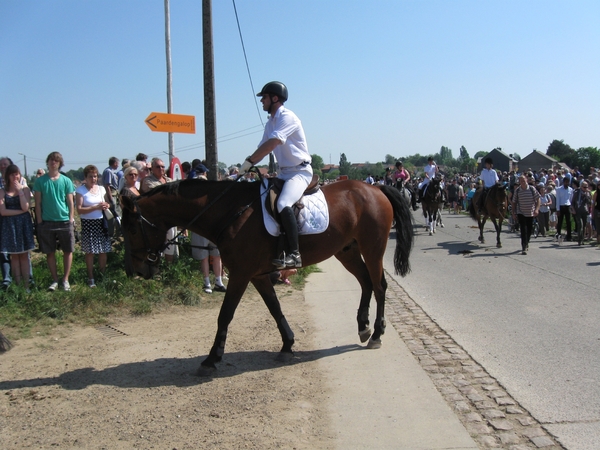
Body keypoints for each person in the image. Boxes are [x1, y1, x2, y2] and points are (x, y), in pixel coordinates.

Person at [239, 81, 311, 269]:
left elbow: (273, 143)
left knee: (283, 203)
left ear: (275, 98)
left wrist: (250, 161)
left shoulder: (287, 117)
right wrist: (248, 163)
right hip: (283, 173)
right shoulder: (270, 122)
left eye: (264, 97)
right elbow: (262, 147)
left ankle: (295, 254)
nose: (262, 101)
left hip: (299, 172)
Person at [33, 152, 76, 291]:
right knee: (49, 252)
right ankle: (55, 280)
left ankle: (65, 279)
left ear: (60, 163)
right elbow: (37, 203)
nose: (53, 162)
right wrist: (39, 221)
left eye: (56, 160)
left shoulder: (66, 181)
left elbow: (70, 202)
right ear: (47, 162)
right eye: (51, 160)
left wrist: (71, 218)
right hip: (47, 222)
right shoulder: (40, 181)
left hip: (64, 221)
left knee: (68, 251)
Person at [75, 165, 112, 287]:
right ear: (85, 177)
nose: (93, 179)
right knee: (90, 252)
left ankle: (102, 275)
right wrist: (95, 207)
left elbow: (108, 203)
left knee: (103, 250)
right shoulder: (81, 191)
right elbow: (79, 210)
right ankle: (91, 278)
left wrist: (107, 205)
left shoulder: (101, 189)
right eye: (90, 176)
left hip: (101, 222)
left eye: (95, 176)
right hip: (89, 224)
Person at [0, 165, 35, 290]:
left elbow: (26, 207)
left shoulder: (25, 189)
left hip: (23, 226)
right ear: (8, 176)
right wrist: (19, 212)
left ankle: (26, 286)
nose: (15, 177)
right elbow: (3, 211)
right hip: (10, 226)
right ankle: (18, 285)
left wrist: (20, 191)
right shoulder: (2, 191)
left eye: (17, 174)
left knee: (24, 255)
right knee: (14, 256)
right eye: (12, 174)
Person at [140, 158, 178, 262]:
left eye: (162, 166)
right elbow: (158, 195)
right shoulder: (147, 181)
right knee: (157, 243)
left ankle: (169, 267)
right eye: (158, 166)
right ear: (152, 168)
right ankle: (157, 266)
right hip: (156, 219)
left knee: (171, 241)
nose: (161, 169)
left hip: (170, 217)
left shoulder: (169, 180)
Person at [512, 174, 540, 255]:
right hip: (521, 212)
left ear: (526, 180)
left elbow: (538, 199)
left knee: (529, 229)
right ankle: (524, 246)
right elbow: (514, 202)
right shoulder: (517, 190)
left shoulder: (532, 189)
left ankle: (527, 242)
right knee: (523, 230)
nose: (522, 182)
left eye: (523, 180)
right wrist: (513, 212)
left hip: (530, 213)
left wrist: (537, 209)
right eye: (521, 181)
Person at [571, 180, 592, 246]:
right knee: (580, 225)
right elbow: (572, 202)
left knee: (584, 226)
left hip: (585, 211)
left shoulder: (587, 193)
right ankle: (579, 240)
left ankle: (582, 239)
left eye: (587, 187)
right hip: (578, 211)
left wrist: (588, 195)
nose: (586, 189)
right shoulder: (577, 192)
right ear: (581, 187)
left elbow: (589, 203)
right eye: (584, 187)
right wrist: (573, 210)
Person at [555, 176, 574, 241]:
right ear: (563, 182)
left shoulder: (571, 189)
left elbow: (571, 199)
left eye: (568, 182)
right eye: (566, 182)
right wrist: (558, 209)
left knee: (569, 222)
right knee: (560, 221)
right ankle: (558, 234)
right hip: (561, 206)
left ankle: (569, 236)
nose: (567, 183)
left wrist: (571, 207)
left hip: (567, 206)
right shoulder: (559, 189)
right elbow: (558, 199)